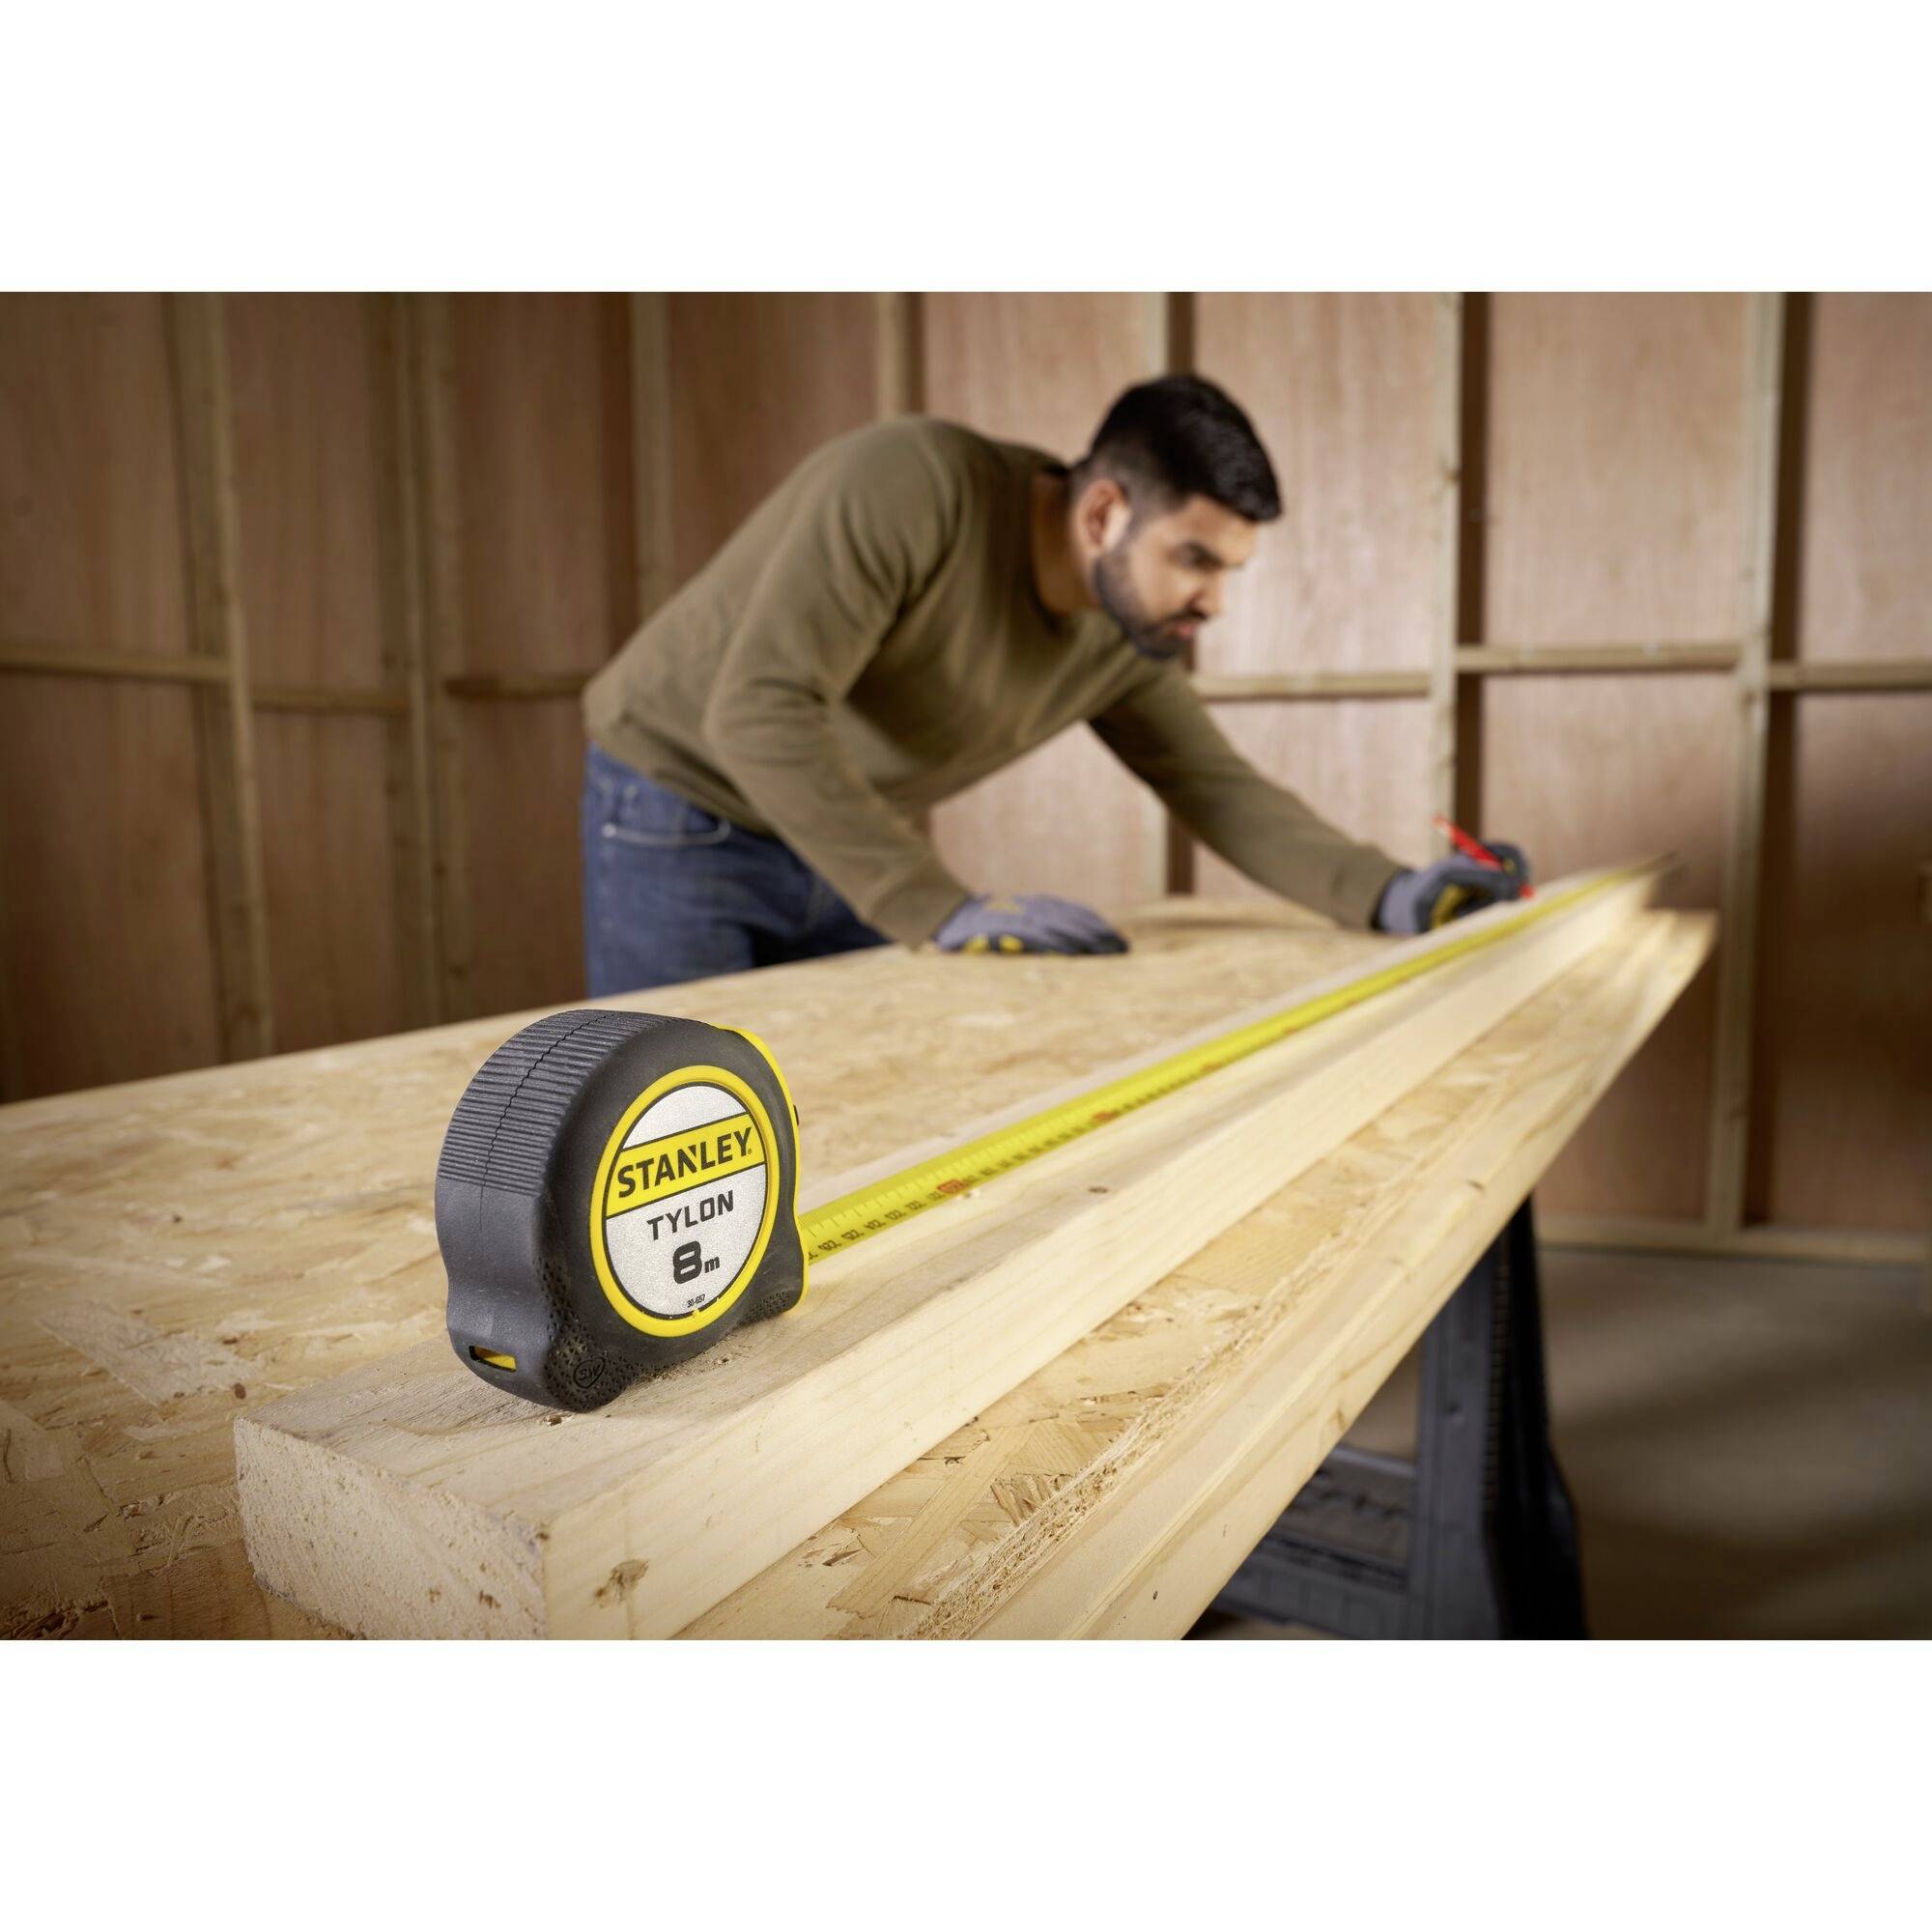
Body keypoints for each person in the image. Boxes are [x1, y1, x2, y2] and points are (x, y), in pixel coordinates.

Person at [580, 376, 1529, 995]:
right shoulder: (913, 486)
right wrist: (933, 905)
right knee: (660, 1141)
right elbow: (757, 710)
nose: (1211, 600)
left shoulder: (1125, 631)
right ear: (1104, 511)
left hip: (837, 827)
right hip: (677, 804)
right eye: (1194, 557)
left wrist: (1391, 893)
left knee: (817, 1126)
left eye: (1229, 570)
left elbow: (1216, 788)